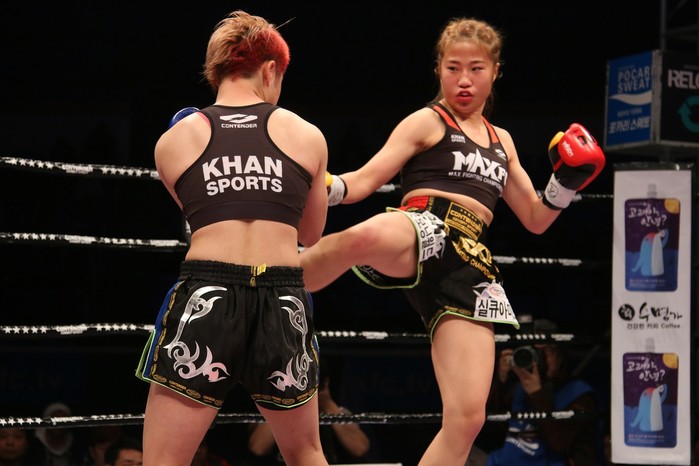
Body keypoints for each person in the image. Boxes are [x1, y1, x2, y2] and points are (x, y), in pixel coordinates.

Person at [300, 16, 605, 466]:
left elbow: (536, 219)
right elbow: (362, 182)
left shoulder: (503, 142)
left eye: (476, 69)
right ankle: (273, 279)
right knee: (362, 236)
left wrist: (565, 182)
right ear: (438, 69)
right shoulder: (427, 120)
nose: (464, 80)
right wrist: (314, 184)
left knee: (467, 419)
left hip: (471, 262)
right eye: (453, 68)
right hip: (424, 225)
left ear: (495, 71)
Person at [135, 9, 330, 466]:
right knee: (305, 453)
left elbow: (199, 216)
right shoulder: (307, 136)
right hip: (282, 295)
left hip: (209, 289)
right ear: (270, 70)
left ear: (216, 70)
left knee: (163, 461)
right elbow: (311, 233)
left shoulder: (173, 142)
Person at [484, 319, 600, 465]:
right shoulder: (520, 386)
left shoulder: (580, 394)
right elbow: (489, 431)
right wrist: (501, 380)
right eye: (535, 351)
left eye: (548, 351)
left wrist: (536, 393)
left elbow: (559, 443)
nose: (541, 358)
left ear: (560, 356)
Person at [247, 364, 371, 464]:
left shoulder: (339, 412)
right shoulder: (274, 410)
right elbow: (258, 447)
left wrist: (328, 404)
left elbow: (360, 448)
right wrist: (283, 401)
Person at [35, 402, 80, 466]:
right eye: (56, 420)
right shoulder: (35, 446)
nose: (59, 425)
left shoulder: (75, 446)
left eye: (63, 421)